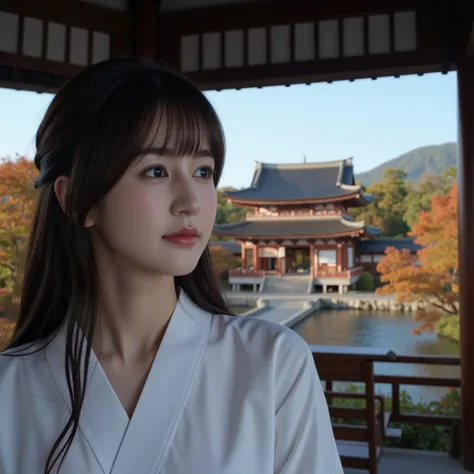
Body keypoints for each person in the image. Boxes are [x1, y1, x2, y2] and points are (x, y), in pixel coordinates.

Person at [0, 59, 343, 474]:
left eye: (203, 171)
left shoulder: (272, 363)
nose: (191, 201)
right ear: (76, 199)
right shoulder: (10, 387)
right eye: (156, 170)